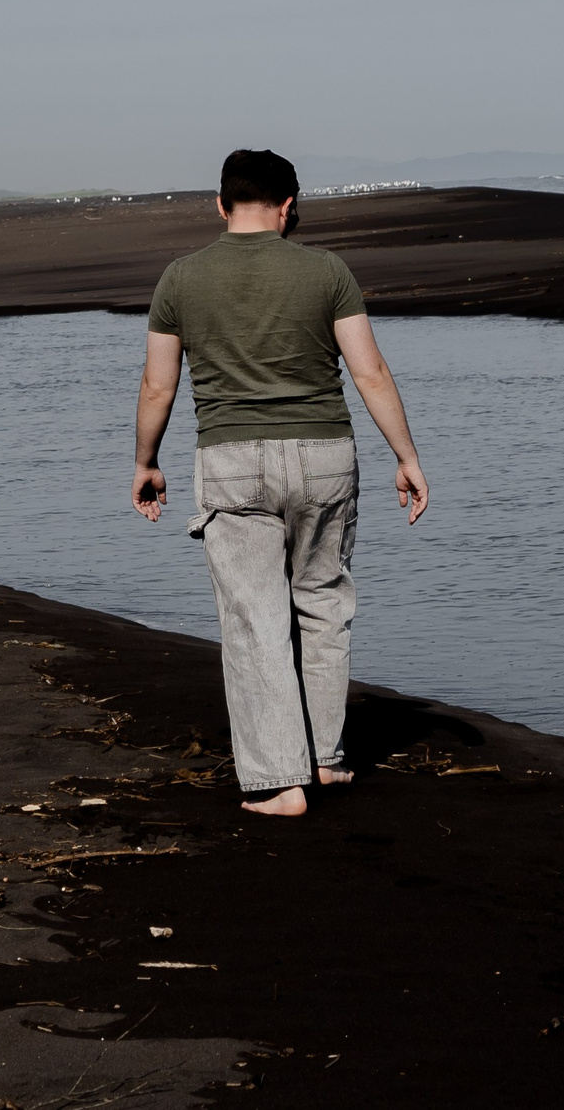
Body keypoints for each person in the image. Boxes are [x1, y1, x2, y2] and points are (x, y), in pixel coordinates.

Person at [132, 148, 429, 817]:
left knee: (255, 617)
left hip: (233, 458)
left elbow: (159, 382)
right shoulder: (327, 271)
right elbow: (370, 371)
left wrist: (147, 461)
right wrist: (406, 455)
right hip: (325, 453)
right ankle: (325, 758)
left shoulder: (181, 278)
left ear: (221, 204)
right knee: (323, 601)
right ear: (289, 205)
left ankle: (278, 780)